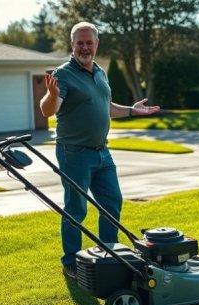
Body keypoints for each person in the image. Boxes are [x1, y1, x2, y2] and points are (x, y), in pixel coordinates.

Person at [40, 22, 160, 279]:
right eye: (79, 43)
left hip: (102, 152)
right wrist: (50, 95)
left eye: (89, 42)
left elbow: (105, 106)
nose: (84, 47)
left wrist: (131, 110)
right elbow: (48, 109)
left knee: (111, 203)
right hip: (74, 153)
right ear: (72, 45)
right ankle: (70, 261)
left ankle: (110, 251)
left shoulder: (100, 72)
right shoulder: (63, 75)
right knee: (76, 209)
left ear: (96, 44)